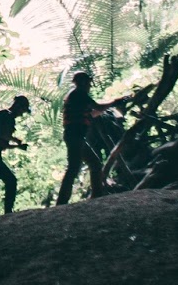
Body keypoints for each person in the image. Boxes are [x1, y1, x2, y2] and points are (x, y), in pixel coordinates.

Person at [56, 72, 131, 205]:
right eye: (88, 82)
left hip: (76, 136)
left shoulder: (76, 96)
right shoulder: (79, 94)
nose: (90, 85)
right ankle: (62, 202)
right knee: (75, 168)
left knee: (94, 163)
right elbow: (98, 107)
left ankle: (96, 195)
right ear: (84, 82)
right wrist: (114, 102)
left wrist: (113, 104)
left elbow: (93, 113)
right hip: (75, 136)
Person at [0, 95, 31, 217]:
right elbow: (2, 134)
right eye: (22, 110)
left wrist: (17, 146)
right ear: (18, 106)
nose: (21, 114)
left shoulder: (6, 116)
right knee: (9, 180)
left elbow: (3, 142)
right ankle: (5, 212)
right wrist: (16, 140)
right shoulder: (6, 115)